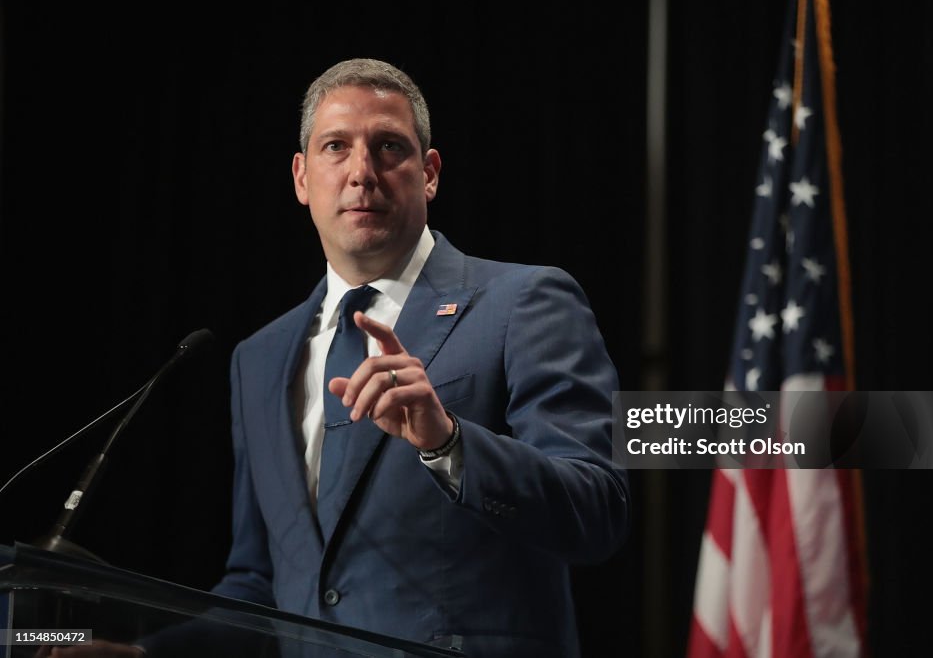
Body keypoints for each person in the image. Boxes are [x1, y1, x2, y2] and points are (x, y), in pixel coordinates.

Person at [48, 58, 629, 658]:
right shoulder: (259, 358)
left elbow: (598, 508)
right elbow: (265, 586)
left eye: (388, 147)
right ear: (302, 178)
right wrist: (149, 656)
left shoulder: (523, 302)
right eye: (335, 147)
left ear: (429, 173)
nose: (361, 172)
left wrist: (448, 443)